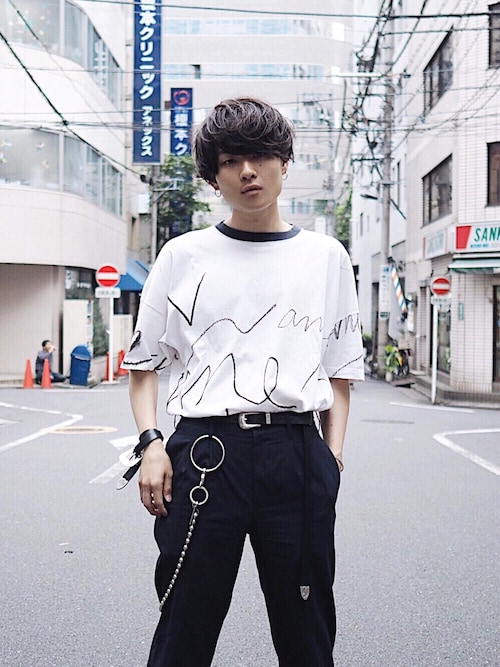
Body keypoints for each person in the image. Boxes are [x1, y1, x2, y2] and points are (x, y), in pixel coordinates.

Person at [121, 97, 364, 666]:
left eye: (260, 157)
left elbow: (340, 370)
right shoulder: (183, 255)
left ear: (284, 161)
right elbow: (143, 365)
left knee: (307, 630)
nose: (247, 172)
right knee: (185, 625)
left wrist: (331, 458)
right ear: (214, 177)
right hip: (205, 453)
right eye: (230, 161)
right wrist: (151, 443)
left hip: (296, 452)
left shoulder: (325, 257)